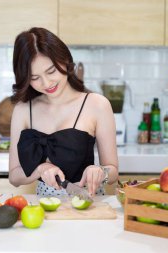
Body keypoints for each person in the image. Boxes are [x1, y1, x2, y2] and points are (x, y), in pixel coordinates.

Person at [8, 27, 118, 197]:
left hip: (88, 204)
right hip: (43, 208)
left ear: (65, 60)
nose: (46, 83)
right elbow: (14, 176)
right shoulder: (23, 110)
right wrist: (40, 169)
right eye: (34, 78)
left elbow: (113, 173)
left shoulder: (97, 104)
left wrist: (99, 171)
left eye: (51, 71)